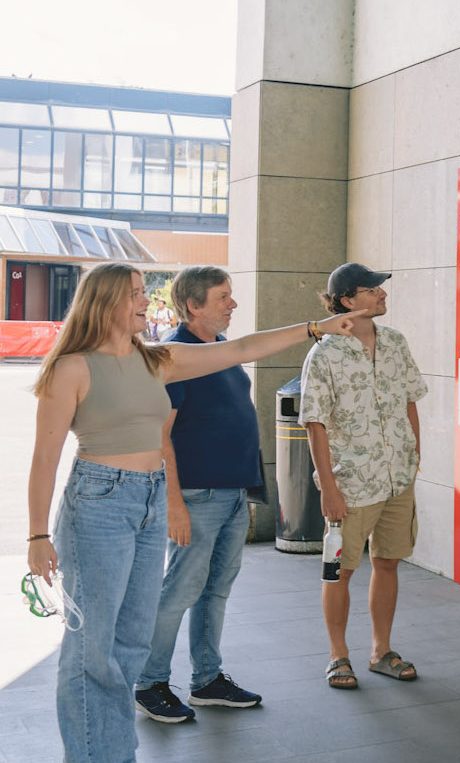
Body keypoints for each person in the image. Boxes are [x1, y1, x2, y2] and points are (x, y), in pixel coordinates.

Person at [26, 262, 362, 763]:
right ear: (106, 302)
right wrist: (36, 537)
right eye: (137, 293)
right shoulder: (72, 367)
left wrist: (315, 328)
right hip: (99, 503)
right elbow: (45, 457)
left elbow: (243, 347)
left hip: (147, 499)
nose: (147, 299)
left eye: (145, 291)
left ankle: (114, 754)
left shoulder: (158, 360)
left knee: (131, 642)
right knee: (90, 650)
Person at [132, 266, 263, 724]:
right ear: (194, 305)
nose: (233, 303)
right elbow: (160, 435)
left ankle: (207, 679)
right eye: (224, 297)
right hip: (196, 496)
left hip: (229, 492)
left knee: (216, 590)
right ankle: (149, 683)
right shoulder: (177, 355)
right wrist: (174, 505)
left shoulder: (219, 352)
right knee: (181, 590)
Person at [300, 263, 426, 690]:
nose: (382, 294)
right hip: (350, 483)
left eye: (381, 289)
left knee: (388, 561)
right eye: (372, 290)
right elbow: (314, 422)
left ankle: (381, 650)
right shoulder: (324, 354)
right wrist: (328, 488)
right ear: (347, 301)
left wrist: (415, 455)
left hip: (396, 478)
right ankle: (338, 656)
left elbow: (410, 399)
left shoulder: (395, 343)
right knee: (340, 569)